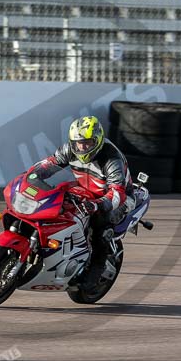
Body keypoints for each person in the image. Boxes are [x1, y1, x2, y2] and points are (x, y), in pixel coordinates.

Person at [42, 116, 133, 286]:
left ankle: (97, 268)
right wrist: (31, 176)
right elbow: (48, 164)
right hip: (86, 190)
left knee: (100, 223)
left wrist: (98, 204)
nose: (82, 147)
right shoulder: (70, 149)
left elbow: (118, 193)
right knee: (57, 198)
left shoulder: (111, 158)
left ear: (97, 140)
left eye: (88, 142)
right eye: (78, 142)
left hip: (119, 199)